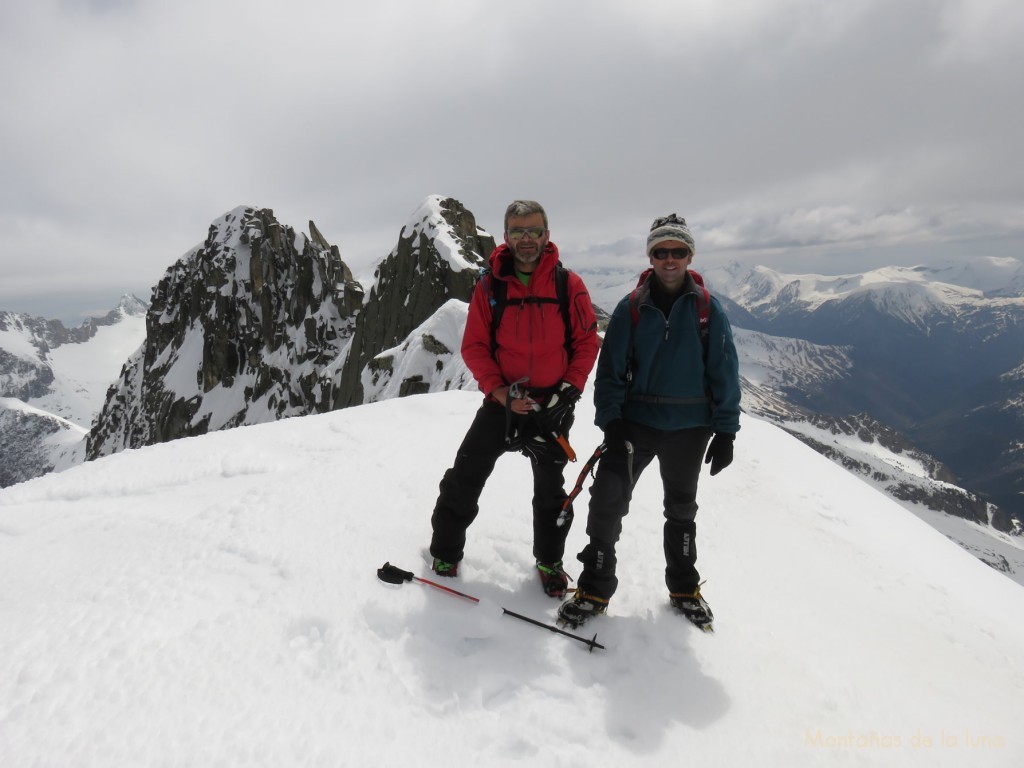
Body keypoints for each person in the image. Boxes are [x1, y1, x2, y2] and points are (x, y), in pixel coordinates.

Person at [557, 214, 740, 630]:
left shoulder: (709, 310)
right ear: (651, 256)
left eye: (677, 251)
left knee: (681, 510)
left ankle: (684, 587)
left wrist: (726, 430)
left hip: (690, 428)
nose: (669, 259)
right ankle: (594, 588)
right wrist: (612, 421)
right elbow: (609, 372)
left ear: (689, 255)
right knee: (607, 502)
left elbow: (724, 371)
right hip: (635, 426)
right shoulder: (630, 309)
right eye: (661, 251)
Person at [429, 200, 600, 597]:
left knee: (551, 492)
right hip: (502, 406)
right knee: (465, 477)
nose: (527, 239)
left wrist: (568, 391)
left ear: (546, 235)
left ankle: (549, 561)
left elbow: (586, 342)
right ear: (505, 237)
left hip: (550, 408)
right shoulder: (490, 286)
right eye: (518, 231)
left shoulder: (567, 285)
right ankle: (444, 553)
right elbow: (473, 346)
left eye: (534, 231)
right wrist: (500, 392)